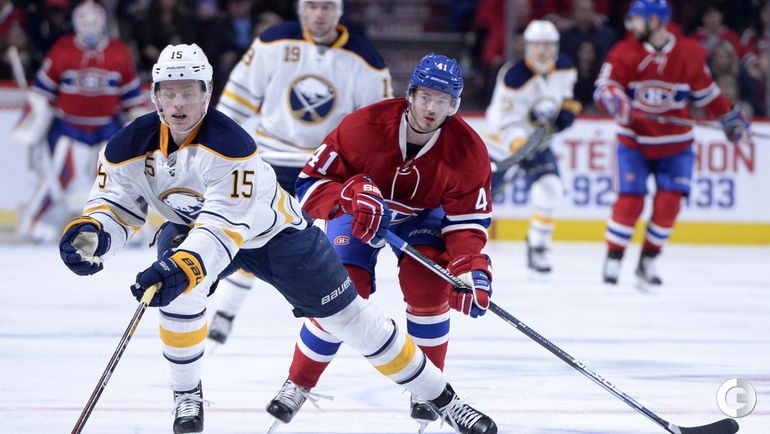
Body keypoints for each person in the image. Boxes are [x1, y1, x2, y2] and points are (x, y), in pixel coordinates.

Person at [56, 43, 496, 434]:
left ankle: (446, 400)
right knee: (179, 294)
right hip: (197, 230)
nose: (179, 103)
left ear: (208, 94)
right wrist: (96, 234)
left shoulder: (232, 147)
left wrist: (470, 268)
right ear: (154, 96)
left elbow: (222, 230)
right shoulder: (126, 146)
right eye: (169, 92)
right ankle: (186, 394)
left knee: (351, 319)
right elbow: (116, 203)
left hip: (277, 236)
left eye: (189, 91)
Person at [263, 52, 494, 433]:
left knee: (428, 285)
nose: (431, 108)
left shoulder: (468, 151)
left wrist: (469, 268)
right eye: (426, 97)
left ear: (454, 105)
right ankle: (299, 383)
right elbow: (309, 185)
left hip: (422, 217)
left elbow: (467, 223)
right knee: (341, 290)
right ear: (410, 94)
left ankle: (428, 390)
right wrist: (347, 196)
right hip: (357, 210)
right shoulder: (363, 126)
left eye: (443, 101)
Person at [209, 0, 393, 347]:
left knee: (328, 250)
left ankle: (331, 323)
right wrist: (215, 148)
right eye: (312, 6)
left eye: (327, 7)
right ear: (301, 10)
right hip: (270, 161)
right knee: (251, 237)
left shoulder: (366, 60)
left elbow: (376, 130)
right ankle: (225, 313)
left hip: (327, 170)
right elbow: (237, 99)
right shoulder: (273, 42)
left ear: (339, 12)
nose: (319, 14)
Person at [593, 0, 750, 288]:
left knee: (669, 203)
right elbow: (604, 86)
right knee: (630, 201)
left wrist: (729, 116)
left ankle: (648, 261)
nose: (632, 25)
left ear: (654, 21)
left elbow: (707, 94)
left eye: (637, 19)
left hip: (676, 146)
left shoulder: (689, 52)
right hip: (635, 142)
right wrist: (615, 99)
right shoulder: (624, 51)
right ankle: (614, 259)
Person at [12, 0, 145, 243]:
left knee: (114, 179)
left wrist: (138, 123)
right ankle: (33, 223)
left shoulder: (118, 52)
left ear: (103, 23)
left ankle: (130, 226)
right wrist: (35, 112)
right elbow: (43, 91)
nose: (90, 28)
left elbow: (131, 98)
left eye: (94, 22)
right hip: (67, 127)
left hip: (107, 127)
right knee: (59, 177)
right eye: (85, 23)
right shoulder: (63, 48)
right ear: (76, 24)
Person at [482, 20, 581, 274]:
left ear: (555, 46)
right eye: (537, 44)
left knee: (551, 188)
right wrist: (519, 145)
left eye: (547, 45)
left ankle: (537, 246)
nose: (542, 50)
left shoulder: (565, 67)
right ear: (527, 46)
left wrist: (568, 109)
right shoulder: (514, 77)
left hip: (537, 144)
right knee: (479, 203)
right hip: (501, 147)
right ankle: (455, 246)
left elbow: (567, 95)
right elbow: (501, 122)